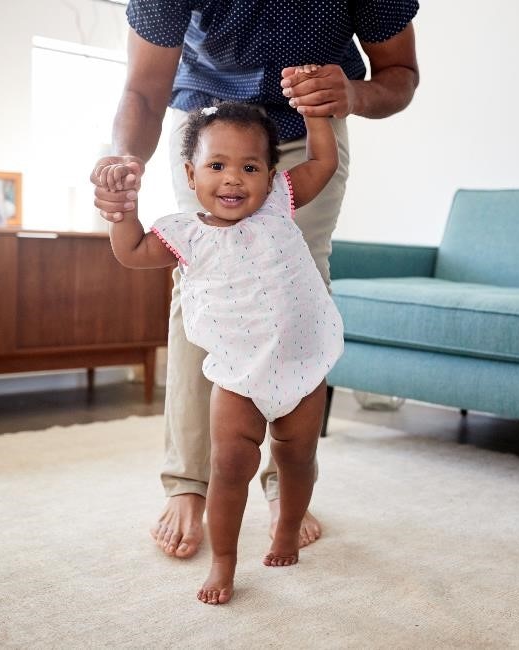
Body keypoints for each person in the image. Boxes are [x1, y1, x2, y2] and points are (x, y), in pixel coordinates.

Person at [91, 0, 420, 561]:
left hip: (306, 130)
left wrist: (351, 95)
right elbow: (144, 92)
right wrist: (122, 168)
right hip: (209, 133)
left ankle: (284, 478)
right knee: (202, 286)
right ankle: (191, 483)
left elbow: (401, 74)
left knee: (299, 283)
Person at [106, 98, 342, 604]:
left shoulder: (281, 202)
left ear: (271, 174)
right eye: (217, 166)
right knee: (231, 466)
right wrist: (121, 210)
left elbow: (323, 162)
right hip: (236, 375)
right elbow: (128, 252)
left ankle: (286, 527)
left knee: (297, 457)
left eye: (249, 167)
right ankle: (224, 562)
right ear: (191, 175)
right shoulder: (184, 234)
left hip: (300, 364)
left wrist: (317, 116)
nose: (233, 179)